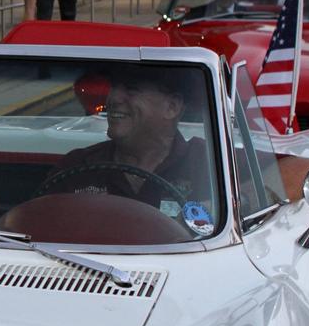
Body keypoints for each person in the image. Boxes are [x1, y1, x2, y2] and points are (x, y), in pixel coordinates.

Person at [42, 66, 209, 216]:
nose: (113, 98)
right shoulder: (77, 167)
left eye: (132, 89)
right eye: (113, 87)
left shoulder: (210, 166)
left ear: (172, 106)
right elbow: (35, 232)